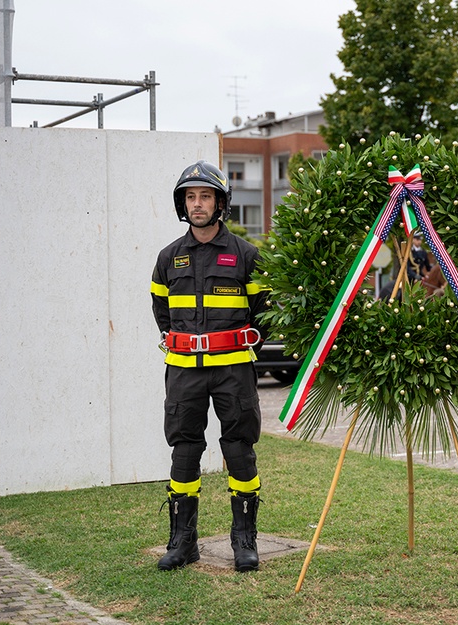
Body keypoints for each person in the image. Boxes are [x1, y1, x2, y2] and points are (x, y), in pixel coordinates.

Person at [150, 160, 270, 572]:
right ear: (182, 204)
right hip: (183, 370)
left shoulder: (248, 256)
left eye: (205, 196)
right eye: (190, 197)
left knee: (239, 449)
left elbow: (263, 314)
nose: (197, 204)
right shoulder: (168, 258)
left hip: (233, 370)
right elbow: (161, 310)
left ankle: (244, 540)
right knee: (184, 449)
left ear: (221, 202)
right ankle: (183, 542)